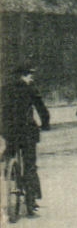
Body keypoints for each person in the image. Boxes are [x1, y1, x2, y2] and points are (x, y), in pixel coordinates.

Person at [2, 62, 51, 216]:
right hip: (27, 131)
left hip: (9, 130)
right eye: (30, 74)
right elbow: (41, 109)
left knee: (11, 148)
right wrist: (45, 124)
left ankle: (9, 167)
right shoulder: (30, 89)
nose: (32, 77)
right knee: (30, 165)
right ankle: (31, 203)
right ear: (23, 75)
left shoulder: (4, 89)